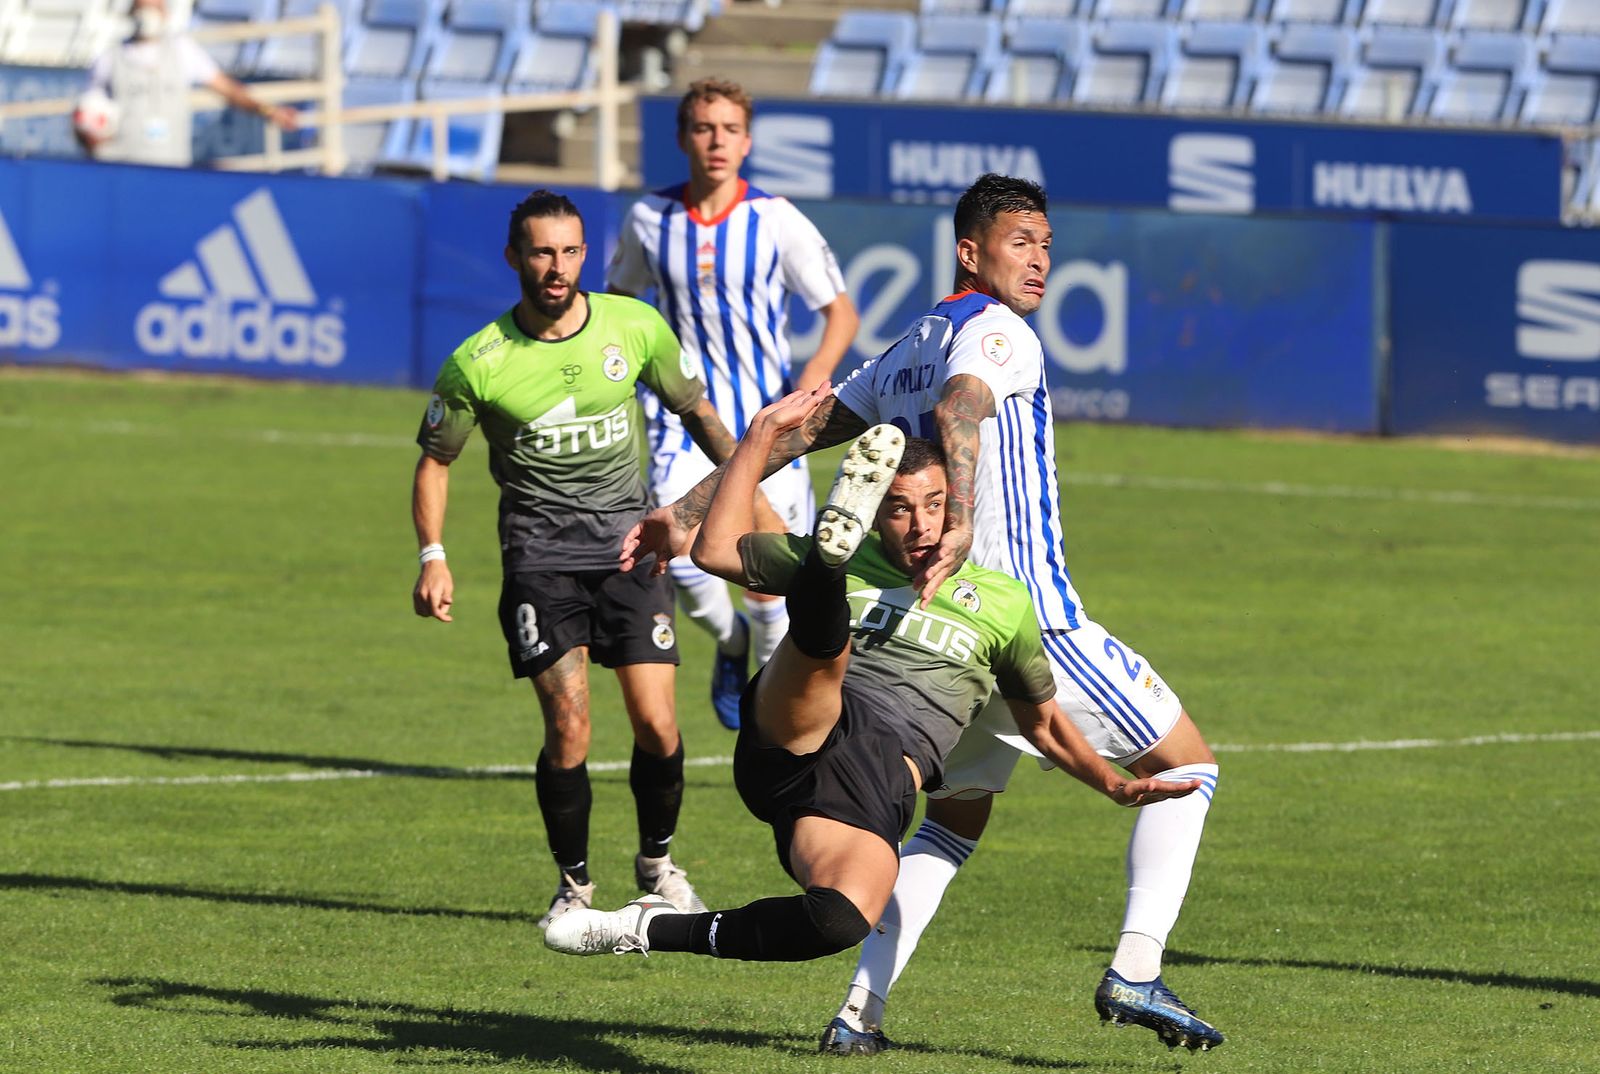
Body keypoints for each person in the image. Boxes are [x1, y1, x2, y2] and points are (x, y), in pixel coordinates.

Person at [622, 174, 1227, 1054]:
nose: (1041, 261)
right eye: (1022, 241)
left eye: (1048, 244)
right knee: (1192, 773)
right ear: (970, 251)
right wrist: (967, 512)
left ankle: (857, 1018)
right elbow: (963, 405)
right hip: (1025, 620)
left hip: (923, 644)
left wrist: (682, 515)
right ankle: (1136, 966)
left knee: (954, 819)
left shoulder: (911, 342)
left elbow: (805, 429)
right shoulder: (997, 332)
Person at [545, 403, 1198, 993]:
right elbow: (713, 550)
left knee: (839, 920)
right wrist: (759, 438)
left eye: (936, 505)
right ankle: (822, 579)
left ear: (955, 506)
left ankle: (642, 928)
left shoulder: (1002, 604)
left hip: (877, 781)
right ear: (872, 511)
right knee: (826, 645)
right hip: (803, 720)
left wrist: (1112, 786)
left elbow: (1046, 725)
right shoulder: (860, 559)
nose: (921, 525)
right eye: (899, 508)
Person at [412, 190, 744, 930]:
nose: (555, 268)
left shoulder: (635, 326)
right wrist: (433, 555)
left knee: (658, 725)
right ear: (514, 258)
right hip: (540, 563)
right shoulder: (479, 363)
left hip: (631, 556)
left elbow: (700, 415)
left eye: (568, 252)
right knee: (570, 731)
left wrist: (741, 487)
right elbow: (436, 462)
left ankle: (658, 866)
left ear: (585, 255)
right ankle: (575, 887)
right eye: (540, 252)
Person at [607, 77, 860, 731]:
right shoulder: (648, 220)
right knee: (681, 565)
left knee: (771, 581)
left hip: (770, 429)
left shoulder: (774, 219)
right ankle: (729, 642)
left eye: (729, 130)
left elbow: (839, 311)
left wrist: (815, 378)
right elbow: (619, 306)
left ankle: (767, 725)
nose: (716, 141)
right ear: (683, 137)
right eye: (702, 128)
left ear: (747, 142)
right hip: (678, 427)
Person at [79, 0, 299, 166]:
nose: (148, 14)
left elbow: (228, 90)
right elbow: (88, 115)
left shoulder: (182, 50)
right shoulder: (110, 58)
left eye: (155, 6)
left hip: (170, 166)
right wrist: (91, 139)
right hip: (124, 166)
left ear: (164, 11)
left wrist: (268, 110)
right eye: (143, 6)